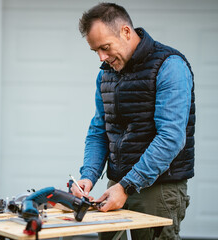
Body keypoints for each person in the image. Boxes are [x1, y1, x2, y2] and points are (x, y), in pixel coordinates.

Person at [70, 3, 195, 239]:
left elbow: (171, 137)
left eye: (105, 47)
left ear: (126, 32)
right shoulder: (105, 74)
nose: (102, 57)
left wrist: (128, 185)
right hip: (116, 187)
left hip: (158, 190)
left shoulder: (170, 66)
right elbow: (100, 130)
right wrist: (88, 176)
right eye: (95, 50)